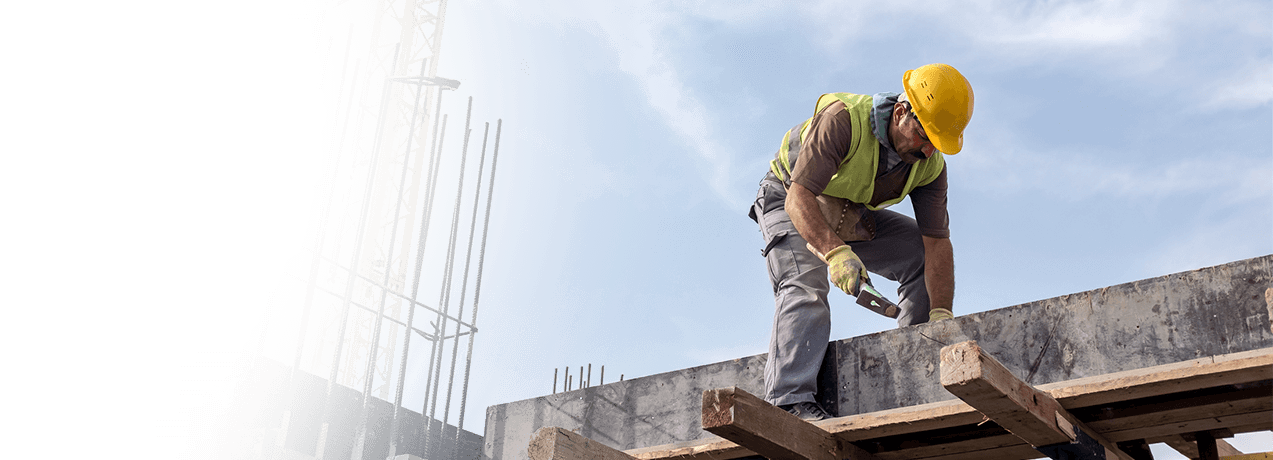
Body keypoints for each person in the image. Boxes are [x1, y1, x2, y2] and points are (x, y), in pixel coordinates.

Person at [747, 63, 974, 421]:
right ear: (901, 112)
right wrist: (835, 252)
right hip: (789, 197)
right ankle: (789, 401)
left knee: (916, 254)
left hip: (846, 210)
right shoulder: (843, 120)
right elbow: (799, 198)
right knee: (805, 284)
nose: (929, 150)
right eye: (925, 136)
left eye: (937, 143)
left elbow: (936, 244)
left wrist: (941, 314)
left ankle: (920, 370)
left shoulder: (929, 166)